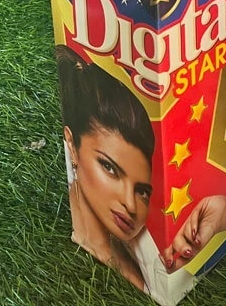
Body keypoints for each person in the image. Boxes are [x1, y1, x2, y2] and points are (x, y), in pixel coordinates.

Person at [57, 45, 155, 292]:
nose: (131, 205)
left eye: (142, 191)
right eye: (110, 168)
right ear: (72, 145)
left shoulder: (155, 268)